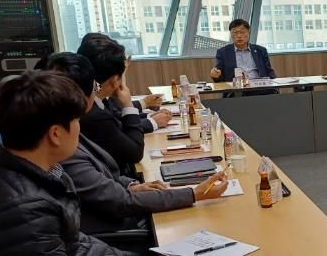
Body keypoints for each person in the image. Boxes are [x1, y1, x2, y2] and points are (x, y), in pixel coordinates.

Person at [47, 53, 228, 236]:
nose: (98, 91)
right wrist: (194, 193)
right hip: (119, 230)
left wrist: (130, 185)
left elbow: (101, 179)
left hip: (121, 215)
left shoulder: (69, 124)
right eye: (95, 87)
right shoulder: (68, 140)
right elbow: (120, 201)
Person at [0, 71, 122, 255]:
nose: (79, 128)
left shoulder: (35, 170)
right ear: (55, 134)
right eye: (77, 120)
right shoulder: (25, 211)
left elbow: (73, 241)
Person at [77, 34, 144, 175]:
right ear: (114, 80)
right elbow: (135, 152)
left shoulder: (92, 100)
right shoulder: (95, 115)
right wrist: (128, 105)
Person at [210, 19, 276, 83]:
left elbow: (269, 72)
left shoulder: (261, 51)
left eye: (242, 32)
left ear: (249, 32)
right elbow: (219, 76)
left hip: (259, 87)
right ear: (231, 34)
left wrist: (274, 85)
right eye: (235, 33)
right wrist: (216, 75)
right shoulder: (223, 52)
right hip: (236, 88)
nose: (239, 36)